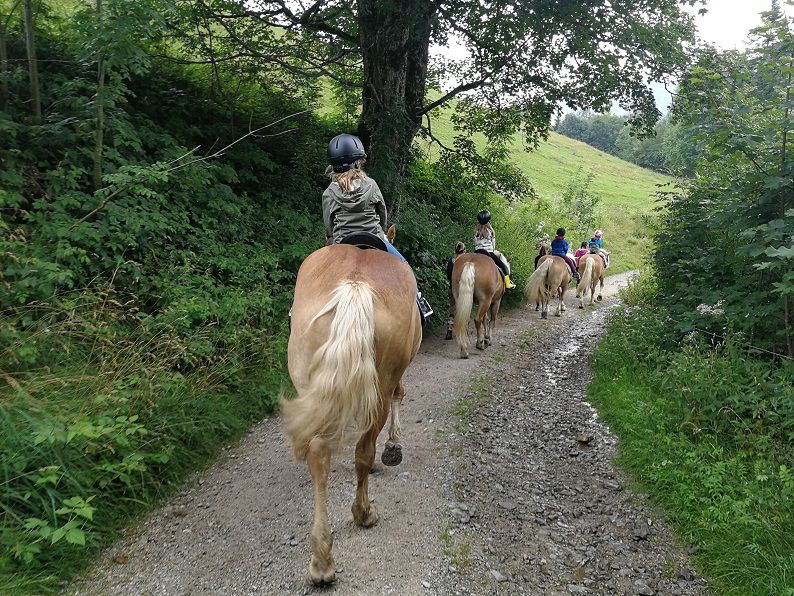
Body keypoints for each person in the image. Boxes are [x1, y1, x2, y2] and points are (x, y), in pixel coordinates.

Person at [322, 133, 433, 319]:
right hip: (373, 237)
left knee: (316, 275)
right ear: (358, 162)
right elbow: (383, 214)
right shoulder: (371, 185)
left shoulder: (329, 192)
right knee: (404, 267)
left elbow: (329, 226)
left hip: (342, 242)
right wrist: (381, 231)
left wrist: (331, 238)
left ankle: (297, 307)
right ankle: (419, 302)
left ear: (333, 165)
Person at [473, 210, 516, 289]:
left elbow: (475, 244)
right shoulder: (490, 231)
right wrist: (492, 230)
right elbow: (493, 245)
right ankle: (508, 283)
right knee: (503, 266)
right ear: (488, 220)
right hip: (488, 252)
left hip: (477, 252)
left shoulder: (476, 231)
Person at [445, 241, 467, 340]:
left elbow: (448, 275)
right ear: (464, 250)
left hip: (452, 288)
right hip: (463, 289)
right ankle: (463, 331)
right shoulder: (465, 261)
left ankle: (449, 329)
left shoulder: (451, 260)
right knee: (463, 309)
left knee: (453, 308)